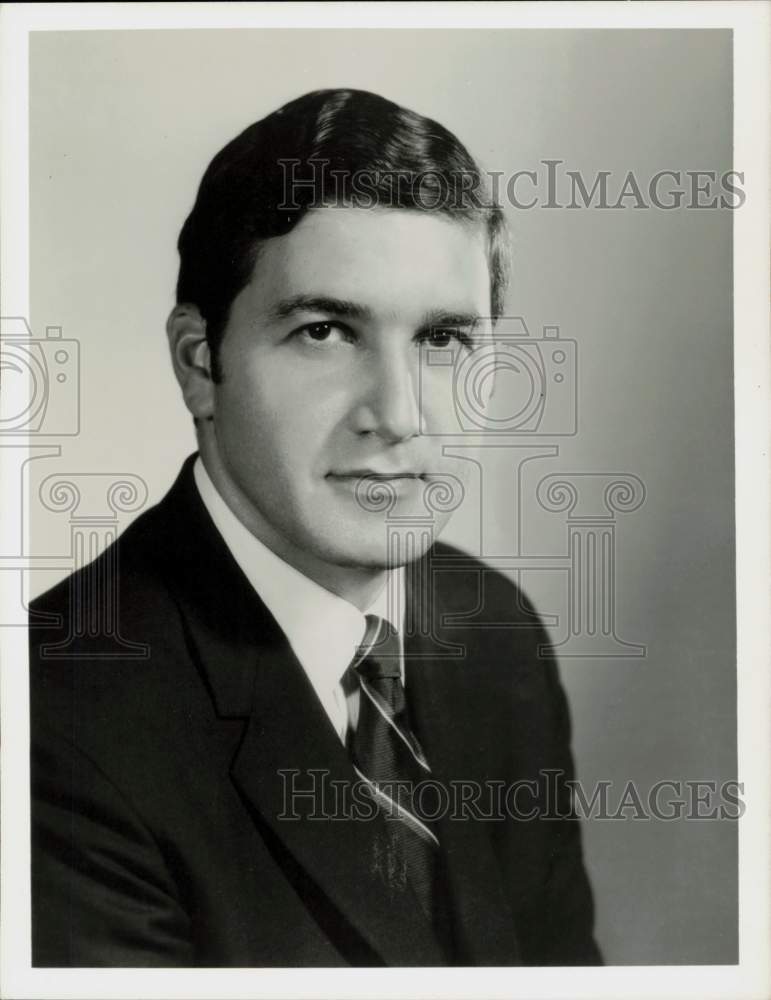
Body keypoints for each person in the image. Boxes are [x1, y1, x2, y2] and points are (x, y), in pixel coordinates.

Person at [29, 88, 601, 967]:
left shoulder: (494, 631)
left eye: (443, 340)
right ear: (199, 363)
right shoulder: (51, 722)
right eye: (326, 331)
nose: (399, 414)